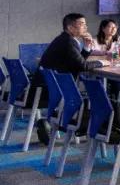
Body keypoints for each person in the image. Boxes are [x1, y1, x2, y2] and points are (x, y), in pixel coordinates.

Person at [32, 13, 105, 144]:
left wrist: (86, 47)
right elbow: (83, 66)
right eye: (81, 24)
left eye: (85, 24)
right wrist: (102, 63)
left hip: (48, 87)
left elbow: (76, 62)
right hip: (52, 90)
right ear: (70, 28)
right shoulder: (68, 42)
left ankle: (50, 123)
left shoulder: (65, 39)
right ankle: (63, 124)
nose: (85, 27)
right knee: (93, 99)